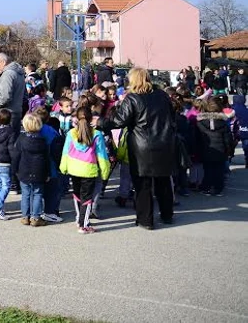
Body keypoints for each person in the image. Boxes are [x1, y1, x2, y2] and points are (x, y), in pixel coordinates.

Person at [106, 67, 176, 230]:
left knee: (142, 185)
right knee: (163, 182)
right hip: (164, 143)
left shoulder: (133, 99)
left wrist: (101, 123)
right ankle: (167, 215)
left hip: (142, 146)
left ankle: (146, 219)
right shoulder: (162, 95)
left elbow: (119, 121)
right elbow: (171, 116)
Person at [60, 106, 111, 234]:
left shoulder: (71, 133)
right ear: (90, 119)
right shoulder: (97, 135)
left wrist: (63, 167)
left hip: (74, 169)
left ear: (77, 118)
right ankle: (84, 224)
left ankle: (79, 218)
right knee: (87, 198)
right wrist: (105, 172)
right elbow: (102, 156)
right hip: (89, 170)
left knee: (77, 195)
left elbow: (65, 152)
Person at [0, 53, 26, 194]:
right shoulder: (19, 73)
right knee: (13, 147)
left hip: (5, 113)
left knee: (5, 149)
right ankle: (14, 182)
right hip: (15, 112)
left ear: (3, 62)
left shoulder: (8, 74)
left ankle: (10, 183)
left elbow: (4, 96)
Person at [12, 113, 51, 227]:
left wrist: (14, 170)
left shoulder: (21, 139)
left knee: (26, 194)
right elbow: (47, 158)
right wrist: (48, 172)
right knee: (37, 193)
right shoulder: (43, 140)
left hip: (24, 170)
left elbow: (16, 156)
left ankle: (25, 216)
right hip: (39, 171)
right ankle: (36, 217)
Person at [195, 99, 235, 195]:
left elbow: (197, 139)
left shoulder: (200, 123)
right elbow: (227, 139)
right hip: (220, 150)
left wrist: (197, 150)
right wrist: (229, 150)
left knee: (207, 170)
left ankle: (206, 187)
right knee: (219, 171)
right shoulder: (223, 123)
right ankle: (218, 188)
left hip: (206, 149)